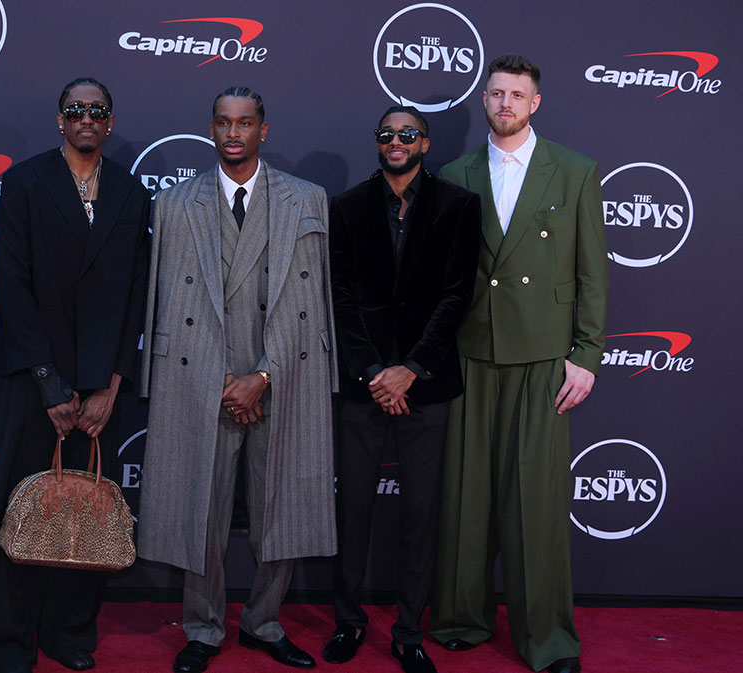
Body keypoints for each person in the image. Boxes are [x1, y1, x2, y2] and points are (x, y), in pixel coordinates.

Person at [138, 86, 337, 673]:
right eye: (223, 123)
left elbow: (317, 302)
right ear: (211, 129)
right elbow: (166, 304)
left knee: (284, 503)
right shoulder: (175, 203)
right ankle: (202, 627)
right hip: (203, 378)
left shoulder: (307, 200)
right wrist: (224, 379)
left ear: (263, 130)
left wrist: (265, 375)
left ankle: (264, 621)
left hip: (283, 374)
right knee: (201, 506)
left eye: (244, 123)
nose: (233, 133)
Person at [429, 54, 608, 673]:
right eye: (496, 92)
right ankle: (459, 618)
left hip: (543, 356)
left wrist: (586, 355)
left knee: (536, 505)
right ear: (484, 100)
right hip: (471, 353)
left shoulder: (576, 171)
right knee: (465, 495)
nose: (505, 103)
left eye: (517, 95)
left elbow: (593, 273)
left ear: (535, 104)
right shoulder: (455, 172)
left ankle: (548, 639)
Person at [0, 77, 151, 673]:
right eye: (75, 109)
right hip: (34, 381)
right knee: (25, 510)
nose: (86, 118)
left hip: (103, 385)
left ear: (109, 120)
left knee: (90, 514)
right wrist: (50, 383)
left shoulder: (131, 190)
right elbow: (13, 286)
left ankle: (70, 633)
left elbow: (136, 295)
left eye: (97, 110)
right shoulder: (23, 182)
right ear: (60, 120)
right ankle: (9, 641)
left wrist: (112, 383)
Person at [323, 106, 479, 673]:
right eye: (387, 134)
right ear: (377, 142)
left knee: (421, 512)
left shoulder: (460, 206)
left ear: (425, 143)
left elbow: (457, 296)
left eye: (406, 134)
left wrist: (410, 368)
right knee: (353, 508)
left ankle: (410, 630)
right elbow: (339, 298)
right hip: (364, 384)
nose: (396, 141)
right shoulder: (346, 207)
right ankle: (348, 621)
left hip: (427, 383)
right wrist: (373, 373)